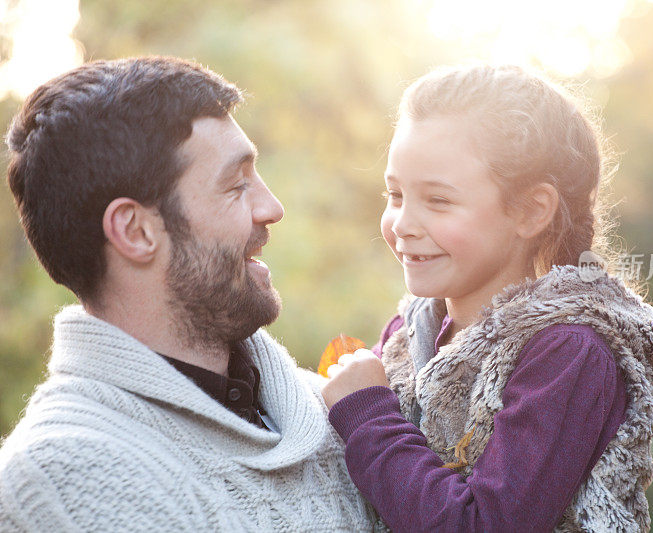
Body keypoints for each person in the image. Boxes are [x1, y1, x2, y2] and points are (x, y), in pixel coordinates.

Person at [0, 56, 379, 531]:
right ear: (136, 231)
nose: (272, 207)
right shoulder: (63, 477)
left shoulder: (339, 410)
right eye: (236, 184)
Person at [321, 64, 653, 532]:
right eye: (396, 194)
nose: (402, 223)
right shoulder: (408, 335)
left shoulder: (571, 351)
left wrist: (367, 414)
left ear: (531, 211)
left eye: (439, 200)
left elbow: (484, 524)